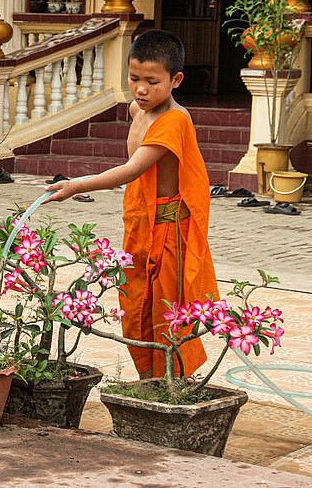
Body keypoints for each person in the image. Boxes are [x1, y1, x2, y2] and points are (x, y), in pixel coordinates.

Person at [43, 30, 219, 379]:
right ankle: (149, 380)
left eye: (152, 81)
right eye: (134, 78)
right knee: (137, 304)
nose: (141, 89)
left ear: (176, 80)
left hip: (169, 232)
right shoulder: (140, 107)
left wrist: (74, 186)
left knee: (165, 312)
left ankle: (171, 383)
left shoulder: (174, 121)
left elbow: (130, 171)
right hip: (143, 225)